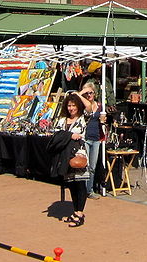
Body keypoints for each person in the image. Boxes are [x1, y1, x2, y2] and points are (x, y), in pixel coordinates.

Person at [52, 92, 89, 226]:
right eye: (69, 105)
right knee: (72, 184)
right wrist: (70, 135)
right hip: (66, 155)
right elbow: (56, 134)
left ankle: (80, 213)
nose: (71, 108)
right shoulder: (62, 120)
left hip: (79, 154)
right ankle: (75, 211)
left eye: (73, 105)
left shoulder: (83, 118)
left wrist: (78, 95)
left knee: (80, 183)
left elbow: (89, 106)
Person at [78, 82, 106, 198]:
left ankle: (90, 190)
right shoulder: (81, 106)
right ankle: (84, 191)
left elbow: (103, 120)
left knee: (92, 167)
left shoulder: (100, 106)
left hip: (96, 138)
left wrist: (104, 121)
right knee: (85, 165)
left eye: (91, 92)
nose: (89, 95)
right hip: (85, 138)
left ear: (94, 93)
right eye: (86, 93)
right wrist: (81, 94)